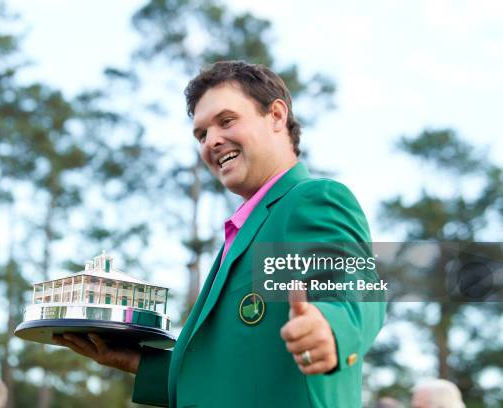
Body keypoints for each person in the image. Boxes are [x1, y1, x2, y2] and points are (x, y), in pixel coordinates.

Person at [53, 60, 386, 407]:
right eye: (201, 134)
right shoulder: (243, 231)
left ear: (276, 116)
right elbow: (231, 373)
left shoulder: (311, 199)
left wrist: (332, 328)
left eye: (226, 121)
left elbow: (359, 287)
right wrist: (136, 362)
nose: (212, 141)